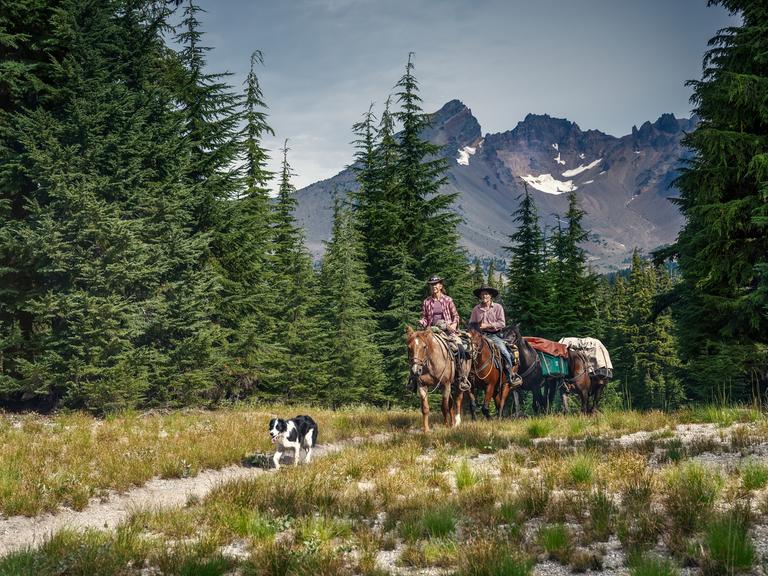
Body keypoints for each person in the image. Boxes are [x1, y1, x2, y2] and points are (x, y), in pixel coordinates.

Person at [469, 285, 520, 386]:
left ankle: (511, 375)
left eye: (486, 294)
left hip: (494, 335)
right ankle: (465, 376)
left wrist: (487, 325)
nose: (484, 296)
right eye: (482, 294)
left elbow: (502, 323)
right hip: (479, 336)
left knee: (504, 351)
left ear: (491, 295)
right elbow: (471, 323)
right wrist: (473, 330)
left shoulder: (497, 307)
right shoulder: (476, 309)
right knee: (467, 351)